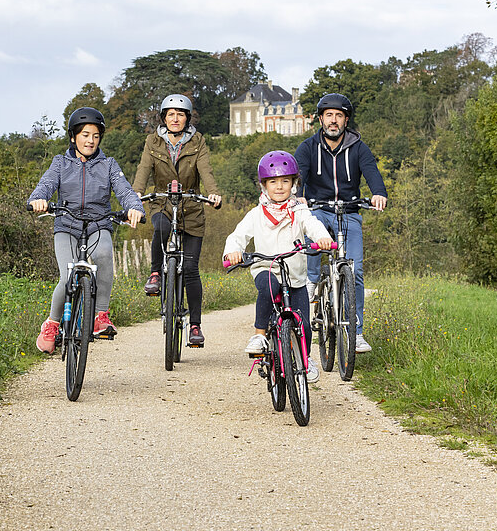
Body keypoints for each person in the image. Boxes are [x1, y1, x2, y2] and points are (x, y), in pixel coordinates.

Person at [28, 107, 145, 354]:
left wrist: (134, 208)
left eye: (95, 136)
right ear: (73, 137)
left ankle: (100, 316)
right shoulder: (60, 163)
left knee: (103, 255)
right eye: (85, 135)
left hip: (98, 223)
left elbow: (124, 191)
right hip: (67, 225)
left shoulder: (108, 165)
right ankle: (51, 324)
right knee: (67, 273)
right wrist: (38, 199)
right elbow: (46, 185)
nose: (90, 140)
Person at [223, 150, 333, 383]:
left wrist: (322, 238)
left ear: (294, 184)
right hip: (266, 268)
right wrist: (233, 252)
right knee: (269, 288)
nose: (280, 186)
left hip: (295, 275)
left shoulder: (299, 211)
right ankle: (260, 336)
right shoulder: (256, 214)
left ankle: (305, 358)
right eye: (273, 182)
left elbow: (313, 226)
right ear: (264, 186)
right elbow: (237, 236)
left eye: (285, 181)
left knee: (303, 323)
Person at [294, 93, 388, 353]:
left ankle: (356, 333)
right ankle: (312, 281)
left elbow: (371, 172)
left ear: (346, 120)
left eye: (339, 116)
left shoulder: (358, 147)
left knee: (354, 270)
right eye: (329, 115)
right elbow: (299, 174)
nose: (333, 121)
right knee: (314, 237)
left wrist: (379, 193)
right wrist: (298, 197)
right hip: (318, 208)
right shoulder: (308, 147)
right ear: (321, 119)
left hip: (349, 210)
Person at [131, 94, 222, 347]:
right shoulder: (153, 141)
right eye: (170, 114)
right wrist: (135, 193)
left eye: (180, 114)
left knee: (191, 269)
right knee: (159, 226)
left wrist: (213, 192)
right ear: (163, 117)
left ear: (187, 118)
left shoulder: (198, 141)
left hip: (191, 206)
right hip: (162, 202)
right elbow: (143, 169)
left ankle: (195, 325)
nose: (175, 118)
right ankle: (155, 274)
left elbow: (206, 170)